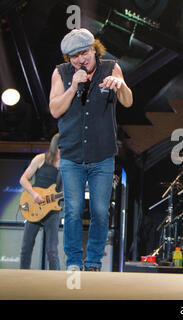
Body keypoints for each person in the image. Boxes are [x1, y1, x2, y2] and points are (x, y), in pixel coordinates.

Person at [49, 28, 133, 271]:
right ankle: (74, 261)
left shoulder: (111, 68)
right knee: (73, 210)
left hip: (102, 154)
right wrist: (73, 87)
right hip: (72, 154)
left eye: (83, 53)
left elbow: (127, 101)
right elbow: (55, 110)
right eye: (74, 56)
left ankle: (94, 261)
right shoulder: (62, 73)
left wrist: (121, 86)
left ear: (94, 49)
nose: (80, 60)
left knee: (99, 211)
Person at [19, 133, 61, 270]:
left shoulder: (68, 165)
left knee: (52, 250)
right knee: (26, 247)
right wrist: (34, 194)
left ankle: (56, 281)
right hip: (34, 205)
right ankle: (22, 278)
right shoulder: (41, 159)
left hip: (53, 209)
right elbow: (23, 179)